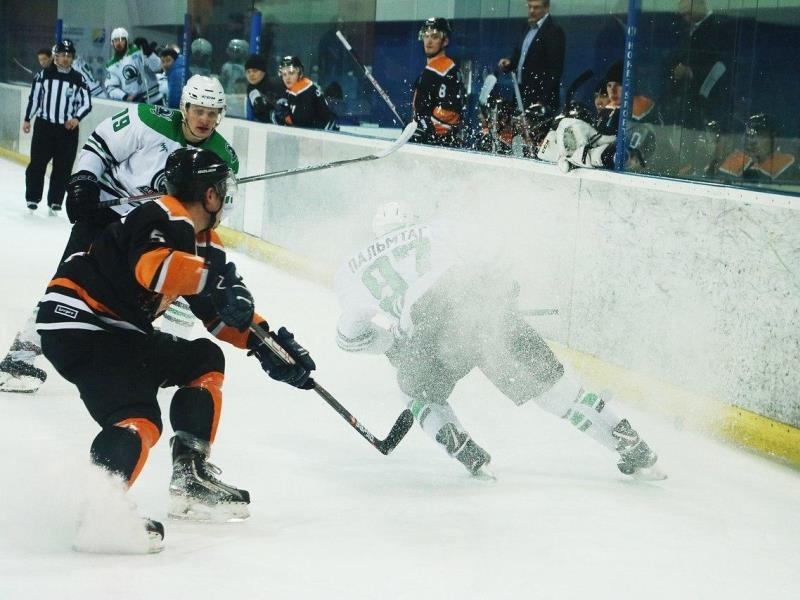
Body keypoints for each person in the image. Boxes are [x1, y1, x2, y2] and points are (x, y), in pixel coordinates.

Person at [35, 146, 316, 552]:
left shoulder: (202, 241)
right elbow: (153, 269)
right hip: (83, 323)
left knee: (202, 360)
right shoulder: (163, 213)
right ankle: (99, 512)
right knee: (136, 418)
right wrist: (217, 283)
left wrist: (269, 346)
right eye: (222, 188)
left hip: (117, 331)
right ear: (210, 195)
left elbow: (218, 314)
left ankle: (190, 476)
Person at [334, 202, 663, 480]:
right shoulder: (438, 229)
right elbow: (495, 251)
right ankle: (628, 441)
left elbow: (348, 337)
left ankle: (461, 446)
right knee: (556, 391)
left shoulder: (354, 267)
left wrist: (392, 344)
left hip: (427, 333)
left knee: (416, 392)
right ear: (411, 221)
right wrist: (499, 294)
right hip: (479, 306)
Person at [0, 75, 236, 394]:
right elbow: (100, 145)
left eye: (212, 113)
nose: (205, 119)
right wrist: (84, 181)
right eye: (199, 110)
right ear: (185, 108)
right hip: (106, 211)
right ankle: (18, 360)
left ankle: (158, 358)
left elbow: (217, 208)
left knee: (156, 295)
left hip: (154, 230)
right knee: (69, 286)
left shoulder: (224, 157)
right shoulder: (147, 120)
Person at [22, 38, 92, 215]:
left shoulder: (78, 79)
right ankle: (32, 198)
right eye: (62, 55)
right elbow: (34, 99)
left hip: (67, 131)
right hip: (44, 127)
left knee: (63, 168)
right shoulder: (43, 75)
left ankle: (55, 201)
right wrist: (28, 119)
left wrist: (76, 118)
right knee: (37, 164)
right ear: (55, 56)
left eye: (69, 55)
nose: (66, 58)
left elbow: (86, 103)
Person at [659, 0, 735, 132]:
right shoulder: (688, 30)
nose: (686, 17)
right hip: (687, 102)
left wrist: (691, 71)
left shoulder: (719, 28)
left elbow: (722, 65)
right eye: (683, 14)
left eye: (688, 12)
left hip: (709, 101)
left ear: (701, 4)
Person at [498, 0, 565, 113]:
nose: (531, 11)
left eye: (536, 7)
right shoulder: (527, 26)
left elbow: (555, 70)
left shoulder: (553, 30)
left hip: (540, 100)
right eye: (529, 7)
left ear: (546, 8)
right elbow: (520, 56)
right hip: (521, 93)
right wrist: (510, 63)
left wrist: (543, 100)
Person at [409, 17, 464, 148]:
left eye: (434, 37)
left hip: (440, 145)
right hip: (430, 143)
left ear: (445, 41)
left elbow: (450, 112)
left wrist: (425, 128)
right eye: (426, 36)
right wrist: (417, 125)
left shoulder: (445, 70)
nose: (428, 41)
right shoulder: (431, 70)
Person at [717, 113, 798, 184]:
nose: (752, 141)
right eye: (750, 135)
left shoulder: (786, 163)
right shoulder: (741, 160)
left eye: (760, 135)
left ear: (774, 138)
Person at [273, 55, 337, 130]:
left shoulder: (304, 91)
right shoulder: (295, 88)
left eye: (291, 73)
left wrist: (284, 116)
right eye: (284, 74)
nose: (287, 78)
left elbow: (301, 127)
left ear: (299, 73)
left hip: (324, 134)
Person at [104, 27, 164, 104]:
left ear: (127, 41)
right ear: (112, 43)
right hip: (135, 103)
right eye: (116, 40)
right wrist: (125, 97)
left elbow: (158, 67)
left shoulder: (139, 50)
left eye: (122, 39)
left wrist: (149, 53)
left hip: (155, 98)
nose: (119, 43)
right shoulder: (111, 64)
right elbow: (111, 88)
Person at [244, 53, 283, 123]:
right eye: (248, 72)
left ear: (263, 72)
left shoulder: (277, 84)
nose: (251, 75)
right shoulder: (251, 87)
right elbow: (259, 106)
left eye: (255, 70)